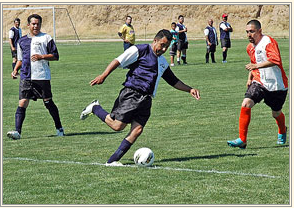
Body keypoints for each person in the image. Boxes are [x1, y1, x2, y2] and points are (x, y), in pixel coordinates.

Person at [80, 29, 200, 166]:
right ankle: (95, 107)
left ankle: (112, 161)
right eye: (162, 45)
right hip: (132, 94)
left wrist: (189, 89)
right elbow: (118, 60)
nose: (164, 49)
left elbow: (173, 81)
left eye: (167, 46)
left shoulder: (162, 61)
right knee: (117, 126)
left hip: (146, 100)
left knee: (137, 130)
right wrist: (104, 75)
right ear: (155, 40)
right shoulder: (140, 50)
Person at [227, 20, 288, 149]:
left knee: (276, 113)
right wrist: (250, 78)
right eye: (247, 32)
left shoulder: (268, 42)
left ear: (260, 31)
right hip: (259, 81)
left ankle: (282, 130)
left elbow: (275, 60)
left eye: (252, 31)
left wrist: (256, 66)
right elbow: (253, 63)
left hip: (276, 84)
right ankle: (242, 140)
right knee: (246, 104)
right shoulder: (250, 47)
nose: (249, 34)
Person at [7, 14, 64, 140]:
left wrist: (41, 56)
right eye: (33, 24)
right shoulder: (21, 41)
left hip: (42, 76)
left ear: (40, 25)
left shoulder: (46, 38)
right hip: (26, 77)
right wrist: (15, 70)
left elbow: (56, 56)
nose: (35, 26)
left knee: (48, 102)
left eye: (38, 24)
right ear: (28, 25)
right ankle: (17, 132)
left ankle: (59, 128)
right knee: (22, 103)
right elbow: (20, 59)